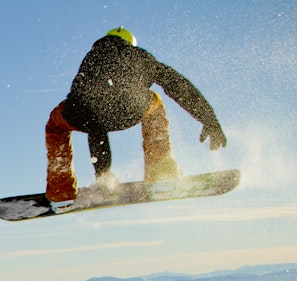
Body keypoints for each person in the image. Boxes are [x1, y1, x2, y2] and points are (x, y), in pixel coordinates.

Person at [45, 27, 227, 212]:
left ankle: (61, 193)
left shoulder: (91, 57)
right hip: (130, 109)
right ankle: (161, 178)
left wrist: (102, 173)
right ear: (129, 43)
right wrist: (210, 121)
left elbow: (94, 113)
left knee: (56, 126)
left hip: (80, 114)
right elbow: (179, 86)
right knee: (154, 103)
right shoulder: (141, 56)